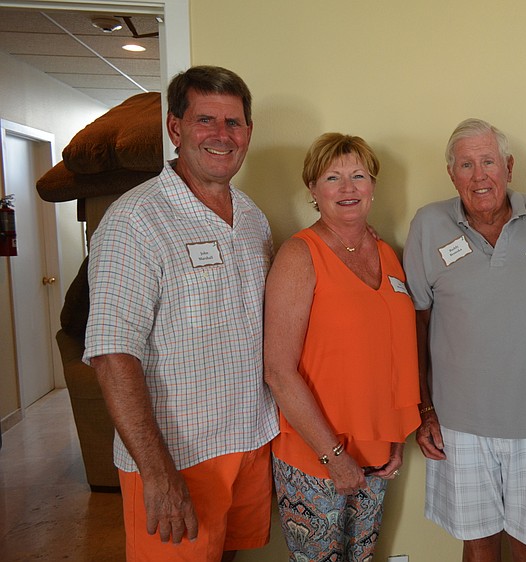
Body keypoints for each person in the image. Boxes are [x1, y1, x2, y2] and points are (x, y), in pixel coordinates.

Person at [84, 66, 278, 562]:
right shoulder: (135, 220)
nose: (221, 135)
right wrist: (157, 471)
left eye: (233, 123)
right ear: (175, 128)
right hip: (177, 456)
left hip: (250, 438)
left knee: (231, 554)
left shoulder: (253, 217)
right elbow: (111, 354)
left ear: (249, 133)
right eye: (205, 120)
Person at [404, 118, 526, 561]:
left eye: (488, 162)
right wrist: (424, 410)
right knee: (479, 547)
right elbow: (415, 323)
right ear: (451, 174)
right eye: (466, 164)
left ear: (509, 166)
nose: (479, 175)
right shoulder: (429, 224)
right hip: (458, 425)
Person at [264, 133, 420, 560]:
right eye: (333, 178)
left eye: (359, 176)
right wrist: (334, 457)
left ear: (373, 187)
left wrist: (394, 435)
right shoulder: (300, 255)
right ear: (313, 190)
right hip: (316, 454)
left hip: (376, 453)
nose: (348, 188)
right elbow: (278, 370)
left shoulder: (387, 253)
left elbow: (391, 354)